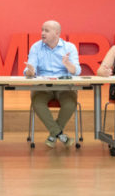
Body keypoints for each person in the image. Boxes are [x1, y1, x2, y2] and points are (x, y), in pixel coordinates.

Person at [25, 20, 81, 148]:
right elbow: (29, 71)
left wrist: (68, 64)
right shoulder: (36, 47)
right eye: (42, 30)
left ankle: (53, 134)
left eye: (46, 30)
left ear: (57, 33)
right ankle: (60, 134)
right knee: (37, 103)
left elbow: (77, 71)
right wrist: (30, 71)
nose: (42, 33)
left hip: (64, 87)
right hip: (43, 87)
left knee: (70, 104)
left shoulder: (69, 47)